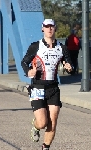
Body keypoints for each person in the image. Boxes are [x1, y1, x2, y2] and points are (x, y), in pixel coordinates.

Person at [21, 19, 73, 150]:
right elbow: (24, 62)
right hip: (37, 88)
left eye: (52, 26)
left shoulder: (62, 48)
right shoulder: (35, 46)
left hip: (53, 88)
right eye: (46, 26)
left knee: (53, 122)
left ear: (55, 28)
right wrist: (28, 71)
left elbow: (69, 64)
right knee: (42, 122)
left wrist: (69, 67)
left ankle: (45, 147)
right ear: (42, 29)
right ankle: (36, 126)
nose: (49, 29)